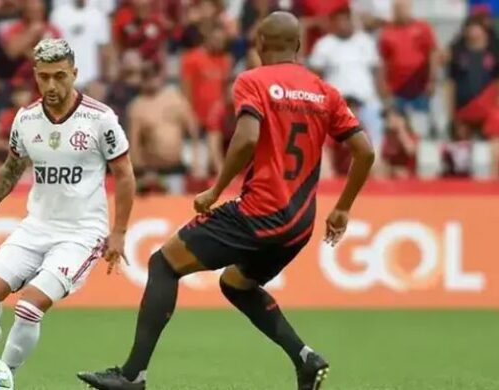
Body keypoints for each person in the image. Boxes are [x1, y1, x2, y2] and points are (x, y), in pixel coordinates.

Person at [78, 12, 375, 390]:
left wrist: (215, 190)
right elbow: (364, 152)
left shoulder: (254, 80)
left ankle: (133, 375)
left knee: (163, 263)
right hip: (299, 223)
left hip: (258, 213)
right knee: (237, 284)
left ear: (260, 45)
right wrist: (344, 207)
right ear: (299, 47)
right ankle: (305, 359)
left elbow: (248, 138)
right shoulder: (324, 92)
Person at [0, 39, 136, 378]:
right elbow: (12, 166)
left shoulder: (100, 119)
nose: (51, 85)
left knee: (29, 306)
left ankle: (4, 374)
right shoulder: (27, 118)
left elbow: (124, 175)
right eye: (43, 77)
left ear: (74, 74)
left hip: (81, 234)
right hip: (36, 227)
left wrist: (118, 232)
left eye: (60, 76)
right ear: (35, 74)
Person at [310, 6, 385, 148]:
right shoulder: (324, 45)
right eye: (339, 20)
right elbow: (315, 79)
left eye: (346, 20)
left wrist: (385, 100)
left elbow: (378, 74)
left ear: (352, 21)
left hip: (366, 103)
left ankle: (377, 165)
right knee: (325, 144)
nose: (343, 24)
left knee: (374, 144)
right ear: (333, 23)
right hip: (337, 107)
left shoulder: (366, 42)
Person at [128, 63, 201, 194]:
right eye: (146, 76)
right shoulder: (137, 106)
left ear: (160, 76)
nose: (150, 80)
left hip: (177, 168)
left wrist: (195, 160)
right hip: (151, 172)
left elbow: (193, 130)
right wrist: (141, 172)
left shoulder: (175, 97)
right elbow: (134, 145)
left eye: (153, 75)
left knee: (177, 209)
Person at [378, 0, 437, 138]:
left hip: (419, 88)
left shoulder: (423, 28)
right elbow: (382, 61)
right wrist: (383, 84)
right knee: (398, 129)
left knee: (421, 129)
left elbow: (432, 54)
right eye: (397, 8)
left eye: (403, 7)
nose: (400, 11)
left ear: (410, 8)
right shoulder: (386, 32)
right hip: (396, 89)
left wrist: (432, 80)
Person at [180, 24, 232, 132]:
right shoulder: (191, 58)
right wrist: (189, 116)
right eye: (216, 39)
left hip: (217, 119)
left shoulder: (224, 60)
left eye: (222, 40)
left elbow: (225, 89)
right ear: (208, 38)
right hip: (197, 118)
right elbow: (185, 90)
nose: (219, 43)